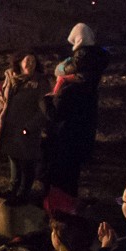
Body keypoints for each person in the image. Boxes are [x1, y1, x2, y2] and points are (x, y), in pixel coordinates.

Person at [41, 54, 99, 197]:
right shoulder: (89, 90)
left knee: (58, 177)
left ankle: (55, 207)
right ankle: (70, 206)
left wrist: (46, 101)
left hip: (64, 141)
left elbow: (54, 115)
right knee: (72, 177)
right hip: (80, 141)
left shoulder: (67, 92)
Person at [0, 56, 46, 206]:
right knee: (13, 157)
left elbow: (44, 110)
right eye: (27, 60)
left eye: (33, 61)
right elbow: (2, 100)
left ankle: (23, 193)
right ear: (19, 62)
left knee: (26, 161)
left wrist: (30, 127)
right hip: (11, 126)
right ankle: (13, 188)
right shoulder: (12, 78)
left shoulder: (39, 83)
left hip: (26, 129)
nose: (30, 64)